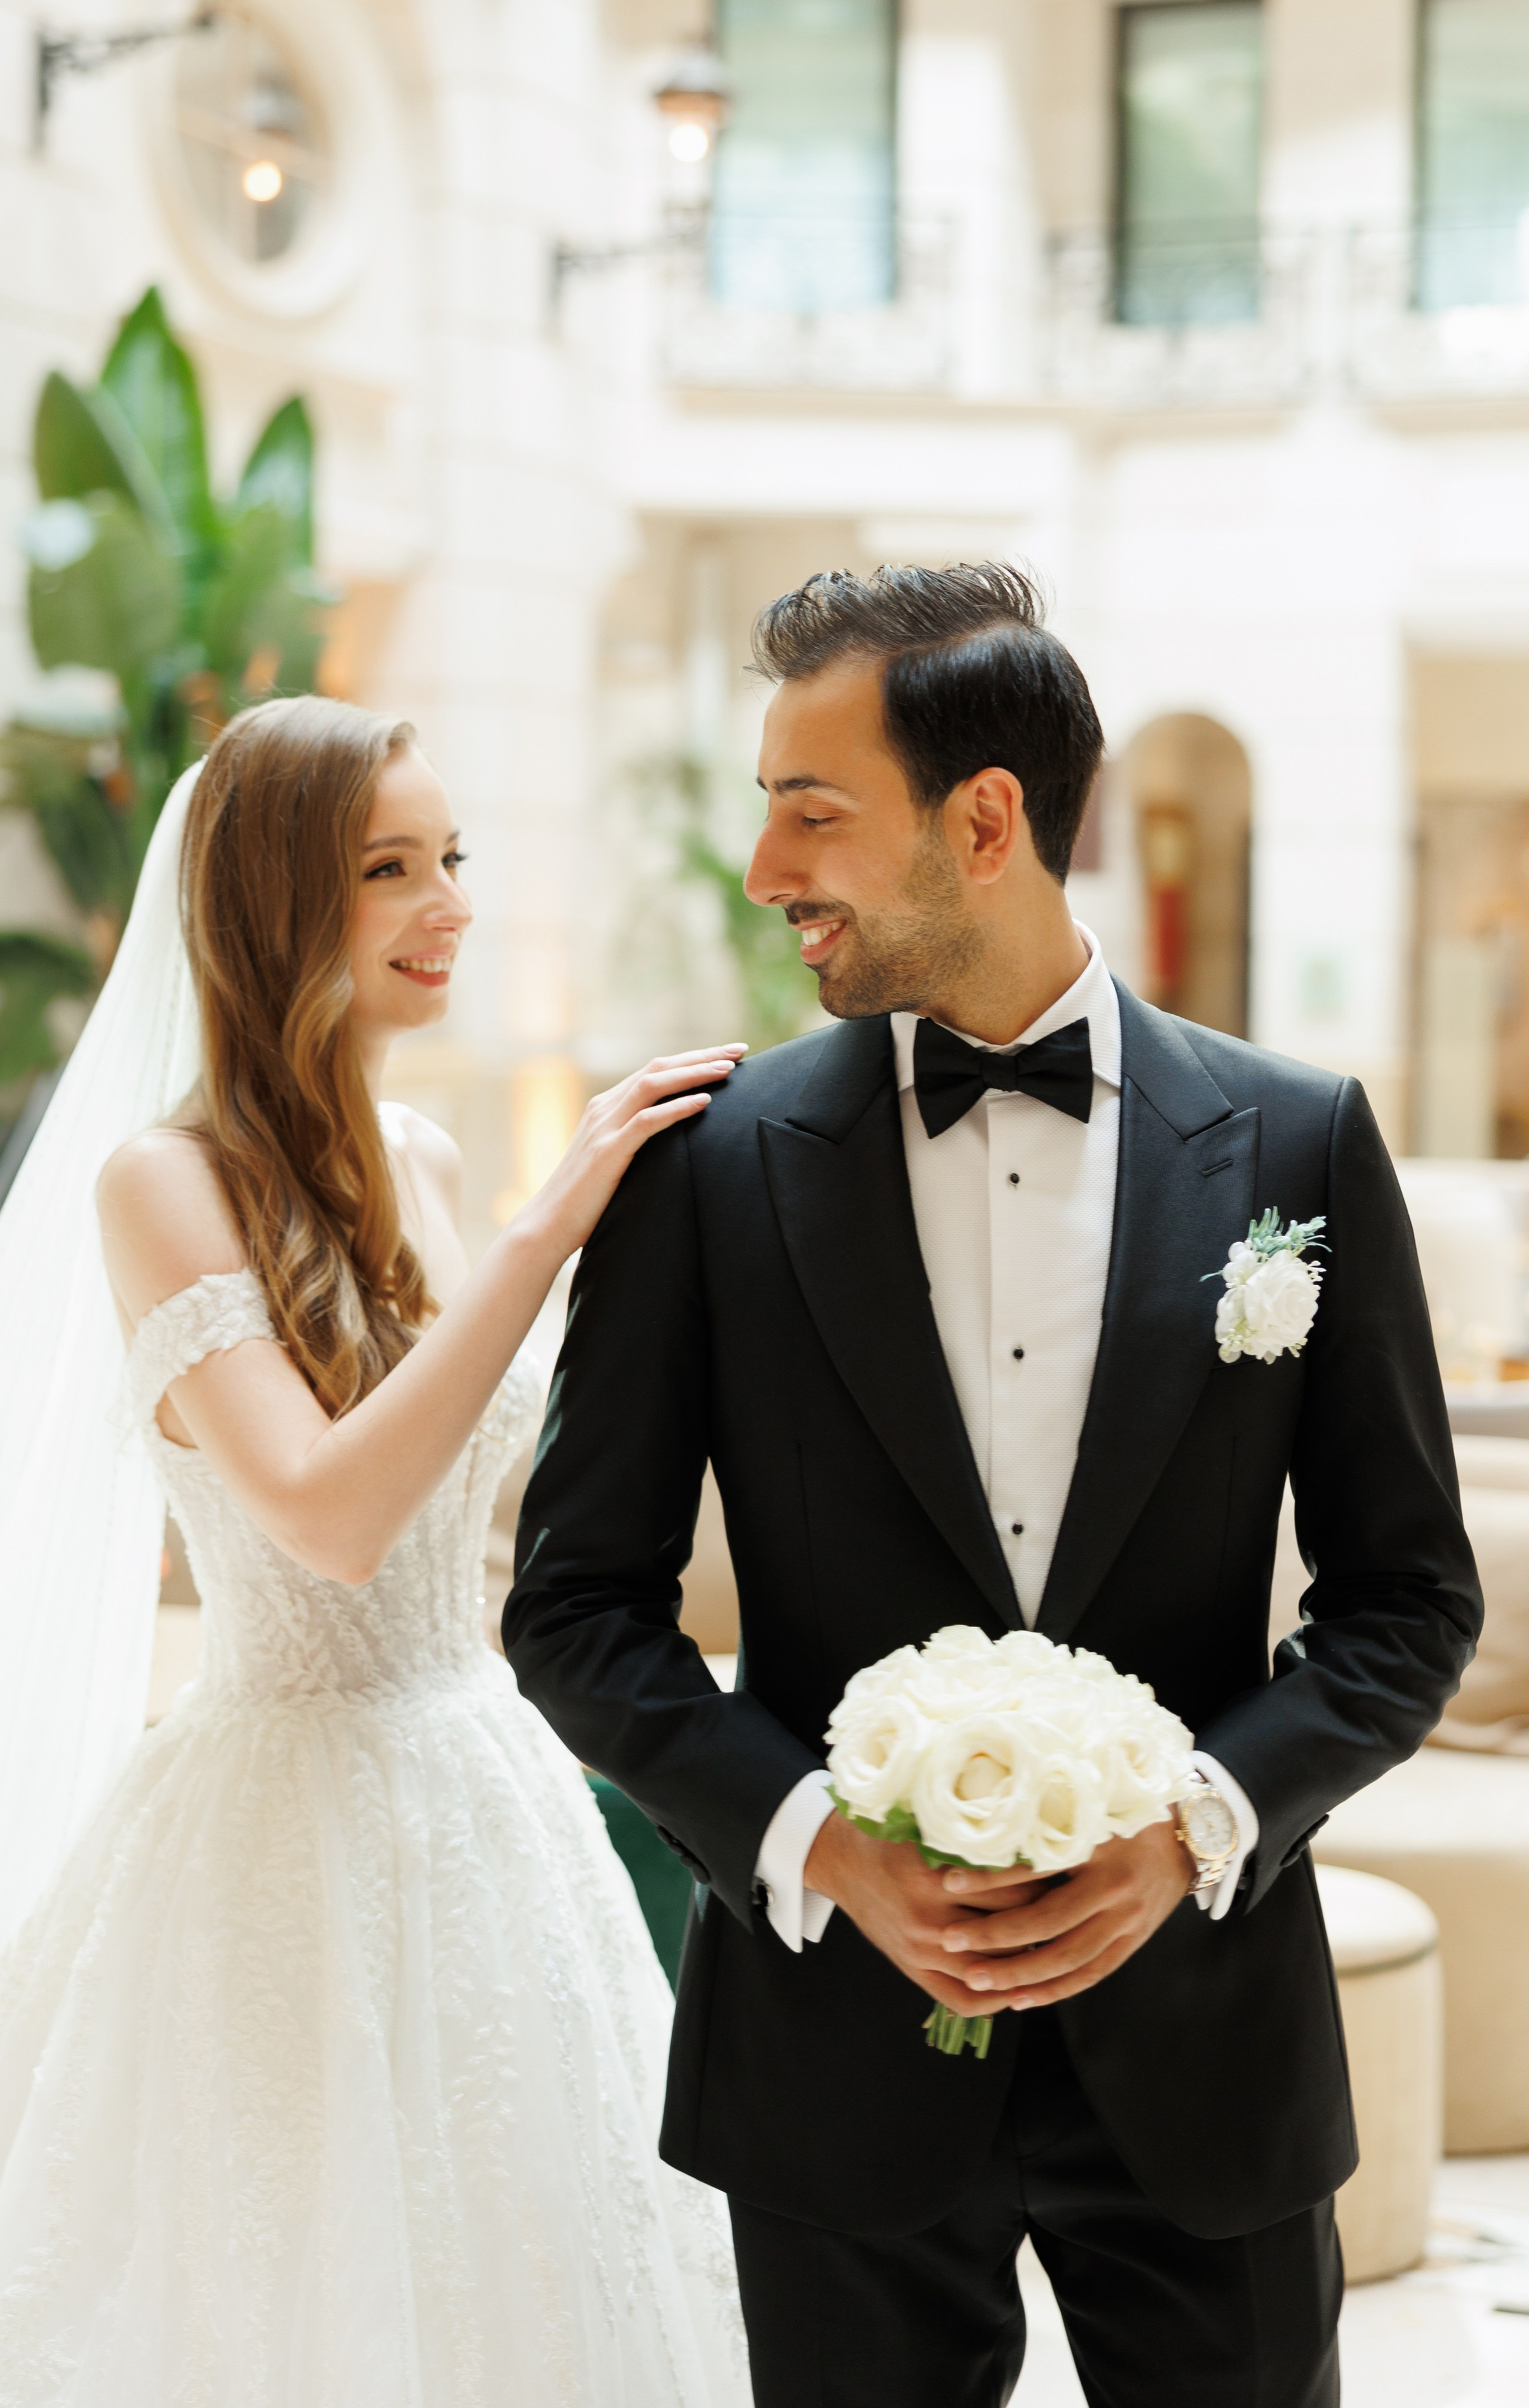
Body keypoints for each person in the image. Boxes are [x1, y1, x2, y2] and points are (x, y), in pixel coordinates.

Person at [505, 563, 1483, 2408]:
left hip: (1209, 2058)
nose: (765, 869)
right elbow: (573, 1611)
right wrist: (822, 1847)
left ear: (984, 820)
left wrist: (1197, 1822)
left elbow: (1409, 1601)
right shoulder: (705, 1170)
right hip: (828, 2069)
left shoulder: (1301, 1143)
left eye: (812, 811)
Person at [0, 697, 750, 2405]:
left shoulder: (418, 1157)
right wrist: (545, 1224)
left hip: (485, 1778)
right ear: (278, 906)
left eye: (452, 860)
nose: (452, 904)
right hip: (276, 1819)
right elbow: (330, 1516)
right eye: (389, 869)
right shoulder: (163, 1181)